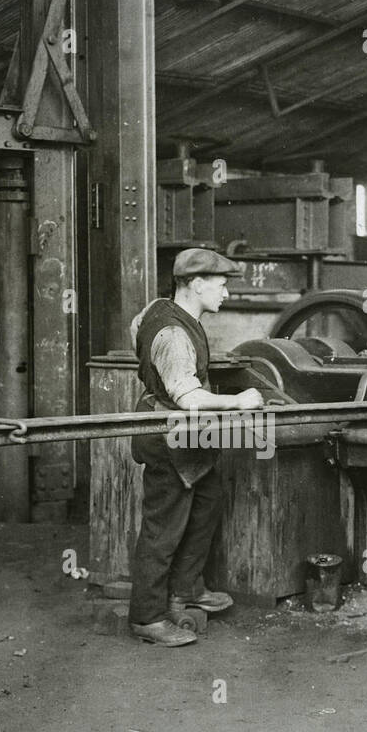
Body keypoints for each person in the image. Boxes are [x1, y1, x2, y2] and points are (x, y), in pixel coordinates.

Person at [126, 248, 265, 647]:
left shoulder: (159, 309)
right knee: (163, 527)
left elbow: (138, 329)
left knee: (208, 500)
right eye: (221, 286)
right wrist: (239, 402)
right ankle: (148, 617)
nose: (226, 294)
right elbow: (188, 397)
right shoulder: (172, 334)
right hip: (167, 434)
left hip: (188, 435)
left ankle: (185, 590)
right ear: (197, 284)